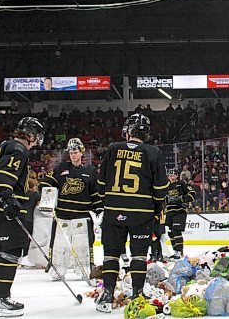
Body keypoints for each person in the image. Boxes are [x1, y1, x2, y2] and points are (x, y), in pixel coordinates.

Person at [95, 113, 168, 313]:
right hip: (141, 212)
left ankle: (107, 294)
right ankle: (137, 295)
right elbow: (161, 187)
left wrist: (107, 200)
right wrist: (156, 204)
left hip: (113, 211)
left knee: (110, 255)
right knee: (138, 256)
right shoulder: (153, 152)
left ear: (128, 131)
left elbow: (101, 183)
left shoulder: (113, 148)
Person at [0, 117, 45, 317]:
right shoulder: (18, 149)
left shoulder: (3, 147)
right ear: (31, 134)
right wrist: (7, 200)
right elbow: (1, 176)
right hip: (0, 208)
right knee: (11, 251)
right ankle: (1, 298)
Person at [39, 138, 101, 280]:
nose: (73, 154)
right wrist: (43, 189)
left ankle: (85, 268)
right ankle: (58, 268)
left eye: (76, 152)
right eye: (71, 152)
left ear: (81, 153)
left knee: (82, 245)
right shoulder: (61, 167)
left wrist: (99, 210)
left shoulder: (90, 171)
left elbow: (95, 193)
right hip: (62, 214)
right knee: (60, 245)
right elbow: (50, 182)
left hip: (82, 216)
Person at [165, 168, 196, 260]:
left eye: (173, 175)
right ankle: (175, 252)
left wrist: (182, 199)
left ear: (177, 176)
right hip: (169, 212)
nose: (172, 177)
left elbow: (192, 193)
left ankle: (179, 251)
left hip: (179, 211)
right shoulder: (166, 186)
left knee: (176, 231)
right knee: (170, 232)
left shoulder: (181, 184)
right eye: (170, 176)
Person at [22, 171, 40, 258]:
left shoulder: (22, 193)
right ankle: (25, 256)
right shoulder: (35, 194)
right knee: (27, 239)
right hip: (29, 219)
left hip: (21, 217)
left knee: (21, 238)